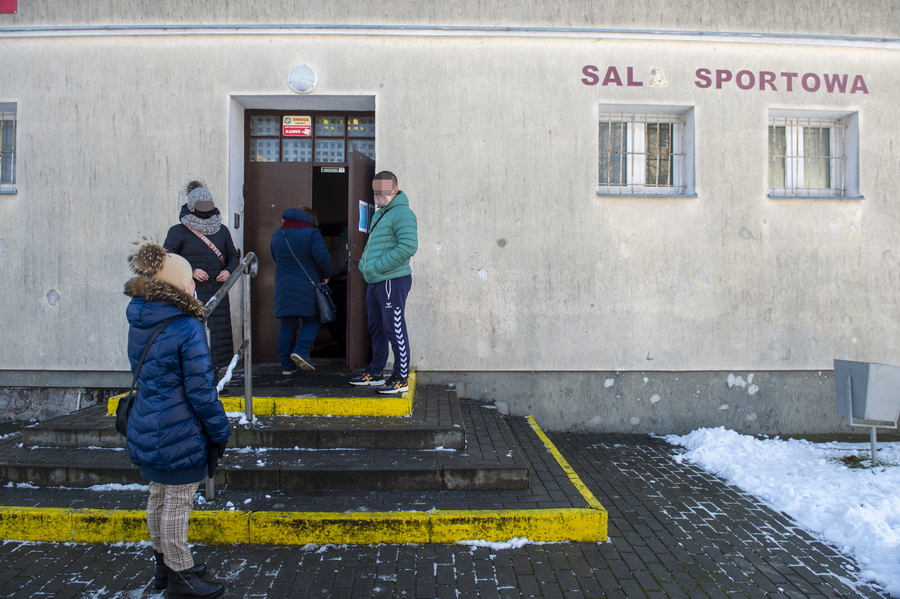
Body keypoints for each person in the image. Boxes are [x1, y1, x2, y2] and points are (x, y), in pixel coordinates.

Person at [124, 241, 230, 599]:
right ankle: (181, 574)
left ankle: (164, 566)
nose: (194, 287)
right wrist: (220, 431)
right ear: (181, 287)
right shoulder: (186, 326)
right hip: (179, 429)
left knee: (158, 494)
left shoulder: (142, 316)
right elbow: (201, 391)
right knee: (177, 501)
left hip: (147, 422)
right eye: (190, 282)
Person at [350, 171, 418, 394]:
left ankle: (401, 377)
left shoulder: (403, 214)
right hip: (376, 281)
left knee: (394, 328)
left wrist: (377, 267)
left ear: (394, 190)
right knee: (376, 327)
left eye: (382, 192)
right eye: (375, 192)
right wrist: (365, 267)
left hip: (392, 279)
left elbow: (408, 247)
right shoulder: (381, 214)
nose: (378, 196)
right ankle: (376, 371)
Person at [164, 181, 240, 371]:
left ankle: (215, 379)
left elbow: (233, 255)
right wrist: (191, 271)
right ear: (191, 206)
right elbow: (168, 259)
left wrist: (229, 271)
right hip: (189, 293)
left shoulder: (221, 230)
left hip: (218, 291)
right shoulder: (178, 231)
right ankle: (197, 378)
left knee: (218, 336)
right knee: (193, 335)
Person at [270, 206, 332, 374]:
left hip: (282, 284)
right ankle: (301, 350)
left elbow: (275, 257)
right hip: (307, 283)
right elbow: (322, 257)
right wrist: (326, 275)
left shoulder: (277, 234)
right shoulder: (312, 233)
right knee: (313, 320)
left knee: (287, 325)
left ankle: (286, 367)